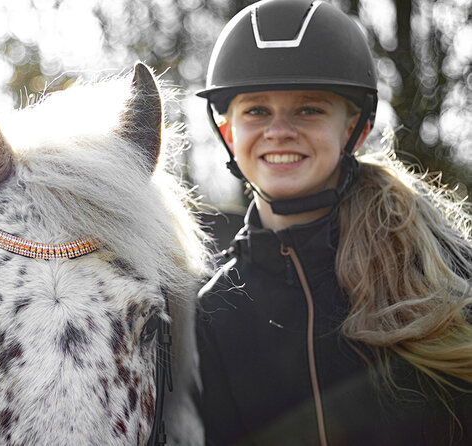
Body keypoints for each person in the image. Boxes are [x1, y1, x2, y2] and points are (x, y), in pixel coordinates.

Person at [194, 1, 472, 445]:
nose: (279, 130)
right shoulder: (211, 313)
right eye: (256, 111)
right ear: (228, 132)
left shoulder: (444, 269)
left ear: (354, 130)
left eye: (309, 110)